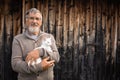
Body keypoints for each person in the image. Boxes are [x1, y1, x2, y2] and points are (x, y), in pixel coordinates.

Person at [11, 8, 60, 80]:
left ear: (41, 22)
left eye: (37, 19)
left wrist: (41, 52)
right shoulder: (18, 39)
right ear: (26, 21)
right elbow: (15, 64)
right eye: (31, 18)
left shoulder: (49, 37)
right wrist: (39, 67)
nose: (34, 21)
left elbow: (56, 57)